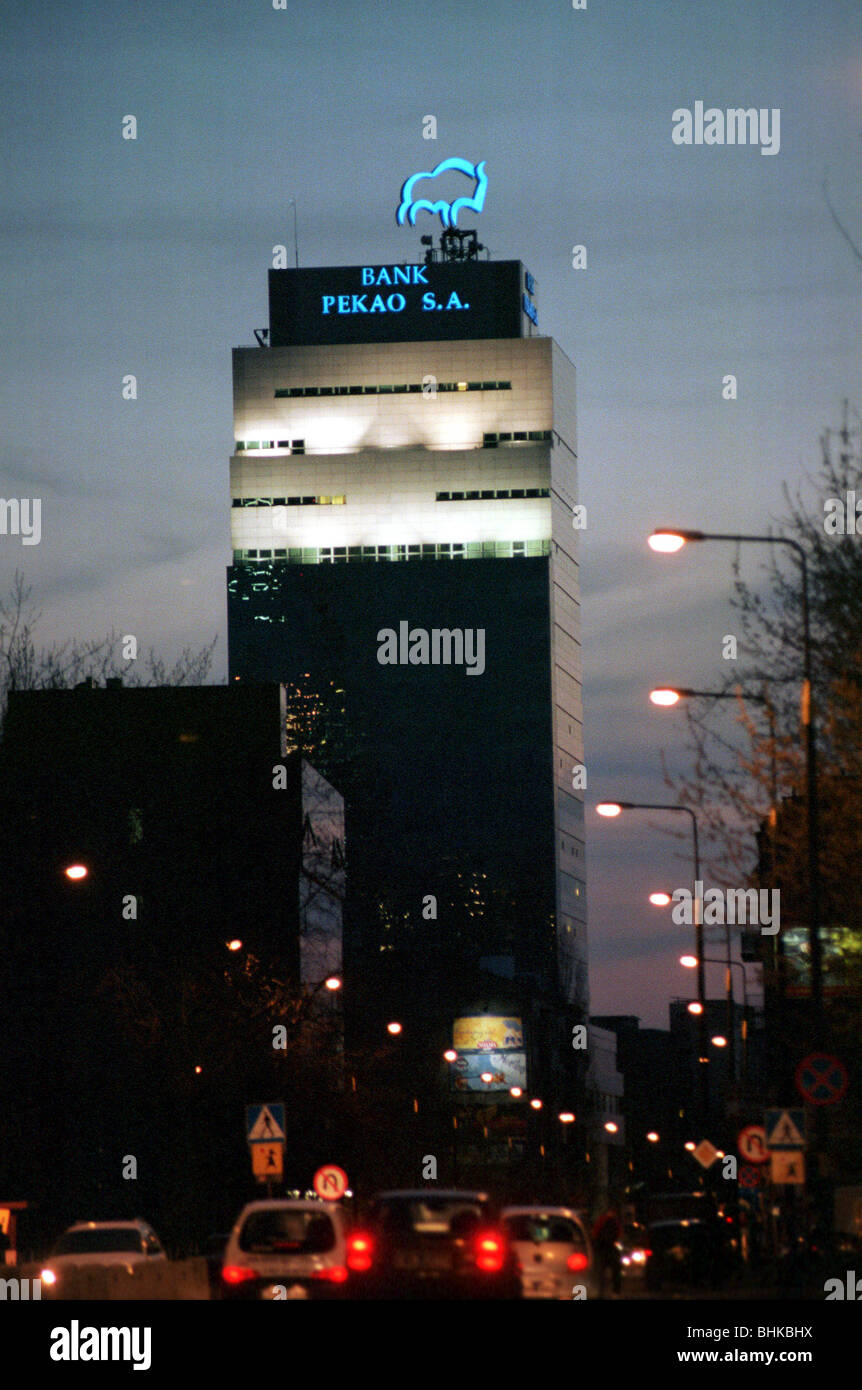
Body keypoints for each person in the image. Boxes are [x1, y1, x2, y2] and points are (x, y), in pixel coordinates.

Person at [591, 1206, 622, 1296]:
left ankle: (600, 1290)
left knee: (601, 1271)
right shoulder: (614, 1221)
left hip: (601, 1248)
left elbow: (595, 1233)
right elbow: (619, 1234)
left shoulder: (601, 1220)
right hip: (611, 1248)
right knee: (616, 1270)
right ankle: (616, 1291)